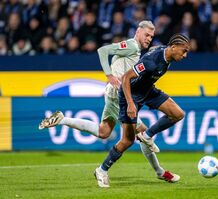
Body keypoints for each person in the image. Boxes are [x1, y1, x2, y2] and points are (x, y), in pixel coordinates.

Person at [38, 20, 180, 188]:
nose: (149, 38)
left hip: (113, 94)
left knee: (104, 131)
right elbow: (103, 50)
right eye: (146, 35)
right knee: (140, 133)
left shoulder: (137, 49)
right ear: (138, 32)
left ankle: (62, 119)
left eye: (151, 36)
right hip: (117, 94)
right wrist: (109, 75)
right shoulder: (132, 46)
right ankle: (157, 172)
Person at [96, 33, 190, 187]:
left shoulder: (165, 54)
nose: (185, 55)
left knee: (178, 114)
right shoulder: (151, 61)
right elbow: (126, 78)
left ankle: (147, 136)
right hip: (130, 95)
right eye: (184, 51)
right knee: (128, 140)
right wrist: (131, 104)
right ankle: (102, 170)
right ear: (173, 47)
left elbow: (154, 48)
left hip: (148, 91)